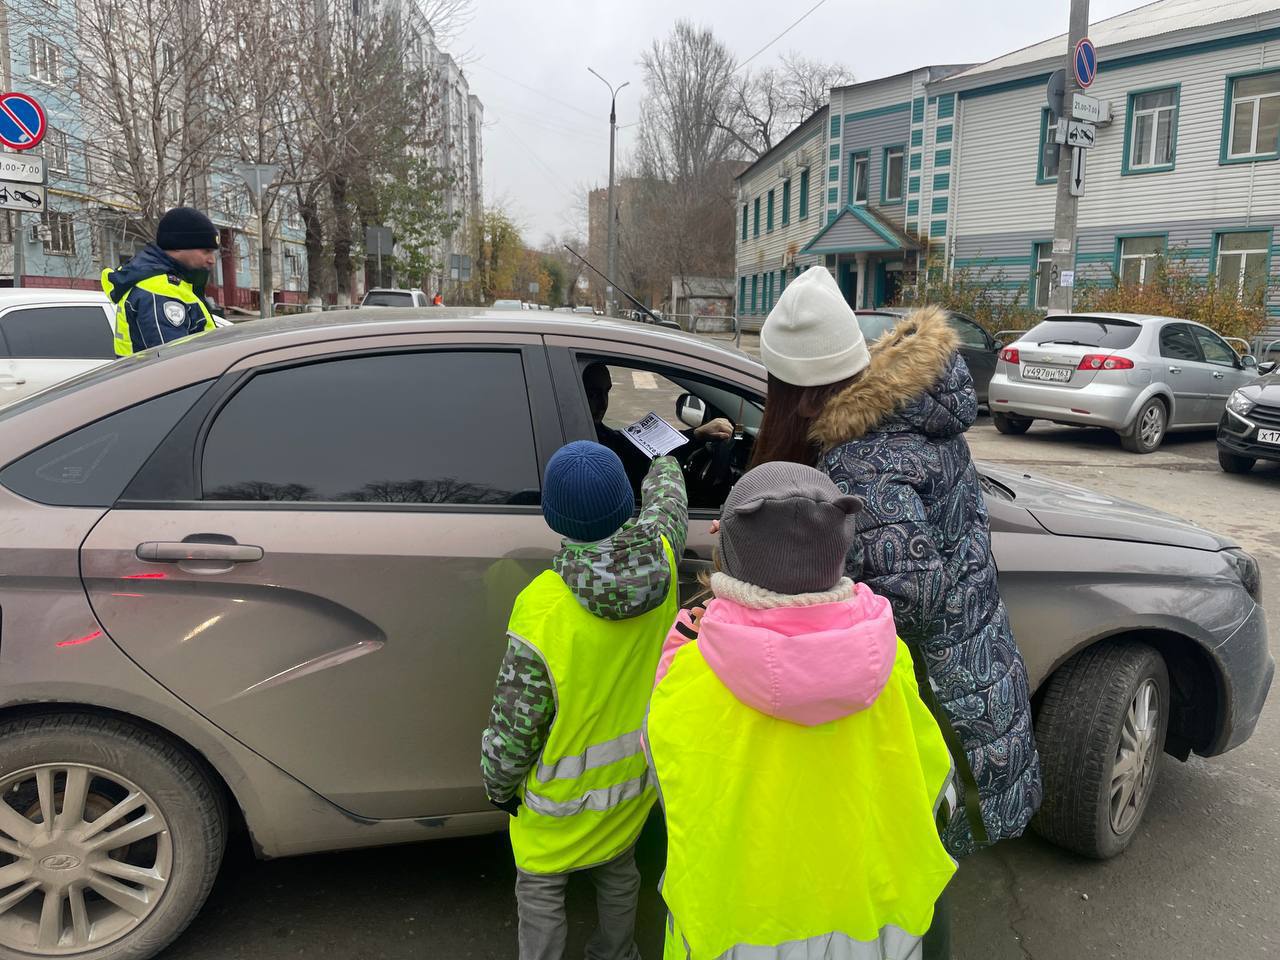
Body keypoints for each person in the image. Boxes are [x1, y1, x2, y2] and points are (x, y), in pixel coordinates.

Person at [753, 267, 1042, 951]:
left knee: (917, 869)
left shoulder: (863, 463)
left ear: (795, 390)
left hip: (936, 702)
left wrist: (784, 568)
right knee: (925, 858)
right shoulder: (908, 418)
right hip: (970, 673)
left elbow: (908, 598)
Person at [645, 461, 957, 959]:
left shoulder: (694, 669)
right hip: (872, 923)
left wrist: (684, 638)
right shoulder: (889, 656)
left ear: (728, 551)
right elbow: (936, 782)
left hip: (735, 928)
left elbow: (662, 770)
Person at [480, 440, 688, 960]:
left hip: (554, 804)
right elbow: (669, 502)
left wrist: (498, 784)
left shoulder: (542, 608)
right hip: (630, 786)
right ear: (624, 502)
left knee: (541, 890)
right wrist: (664, 453)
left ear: (554, 516)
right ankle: (616, 953)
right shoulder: (662, 556)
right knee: (620, 873)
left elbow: (515, 724)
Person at [582, 362, 733, 491]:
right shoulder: (588, 446)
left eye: (606, 392)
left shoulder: (597, 432)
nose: (603, 404)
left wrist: (696, 435)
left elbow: (633, 449)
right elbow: (633, 455)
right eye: (593, 395)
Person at [102, 207, 220, 357]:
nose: (212, 260)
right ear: (178, 246)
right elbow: (173, 362)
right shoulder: (160, 292)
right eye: (206, 251)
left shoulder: (166, 283)